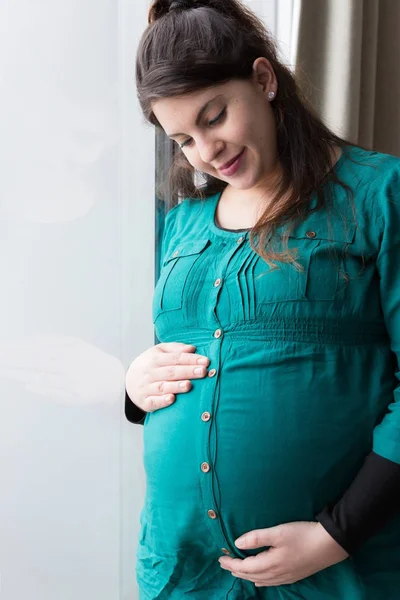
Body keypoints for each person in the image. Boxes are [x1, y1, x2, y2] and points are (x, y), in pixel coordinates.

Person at [125, 0, 400, 598]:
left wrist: (337, 535)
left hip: (333, 571)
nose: (205, 152)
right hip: (183, 570)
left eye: (214, 116)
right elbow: (192, 359)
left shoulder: (381, 193)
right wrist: (134, 385)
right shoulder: (183, 223)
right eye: (182, 139)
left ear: (264, 79)